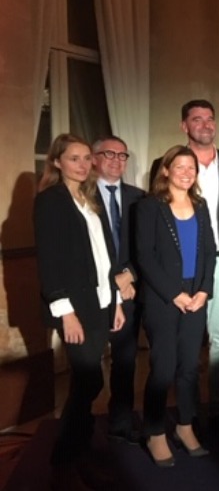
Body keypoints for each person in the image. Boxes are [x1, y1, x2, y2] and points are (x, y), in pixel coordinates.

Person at [150, 99, 219, 435]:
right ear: (184, 126)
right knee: (184, 346)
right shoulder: (167, 164)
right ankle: (186, 415)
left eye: (210, 119)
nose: (205, 125)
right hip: (181, 266)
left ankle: (218, 410)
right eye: (197, 119)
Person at [35, 134, 125, 487]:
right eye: (74, 158)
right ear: (57, 162)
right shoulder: (51, 201)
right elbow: (49, 261)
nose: (83, 165)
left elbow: (106, 257)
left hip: (101, 301)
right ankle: (64, 457)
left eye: (87, 158)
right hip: (75, 307)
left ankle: (81, 445)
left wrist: (116, 301)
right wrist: (65, 312)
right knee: (90, 379)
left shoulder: (90, 198)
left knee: (87, 380)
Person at [137, 145, 215, 466]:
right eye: (179, 167)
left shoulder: (201, 205)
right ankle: (155, 431)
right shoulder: (149, 206)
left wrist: (204, 291)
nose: (186, 173)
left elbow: (209, 252)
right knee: (164, 367)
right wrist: (174, 294)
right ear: (166, 170)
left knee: (189, 367)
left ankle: (185, 426)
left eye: (191, 168)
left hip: (196, 295)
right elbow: (145, 256)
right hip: (163, 298)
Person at [91, 136, 145, 444]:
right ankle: (80, 425)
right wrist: (111, 280)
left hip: (130, 291)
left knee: (125, 360)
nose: (116, 160)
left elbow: (147, 245)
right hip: (93, 291)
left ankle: (121, 421)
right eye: (109, 154)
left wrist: (130, 275)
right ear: (95, 158)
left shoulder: (140, 198)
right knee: (88, 366)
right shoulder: (80, 196)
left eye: (122, 155)